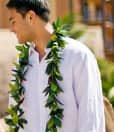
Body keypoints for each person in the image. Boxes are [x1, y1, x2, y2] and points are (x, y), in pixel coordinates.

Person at [6, 0, 105, 132]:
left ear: (30, 17)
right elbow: (15, 120)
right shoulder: (20, 65)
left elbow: (90, 117)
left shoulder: (77, 56)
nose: (11, 29)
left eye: (13, 21)